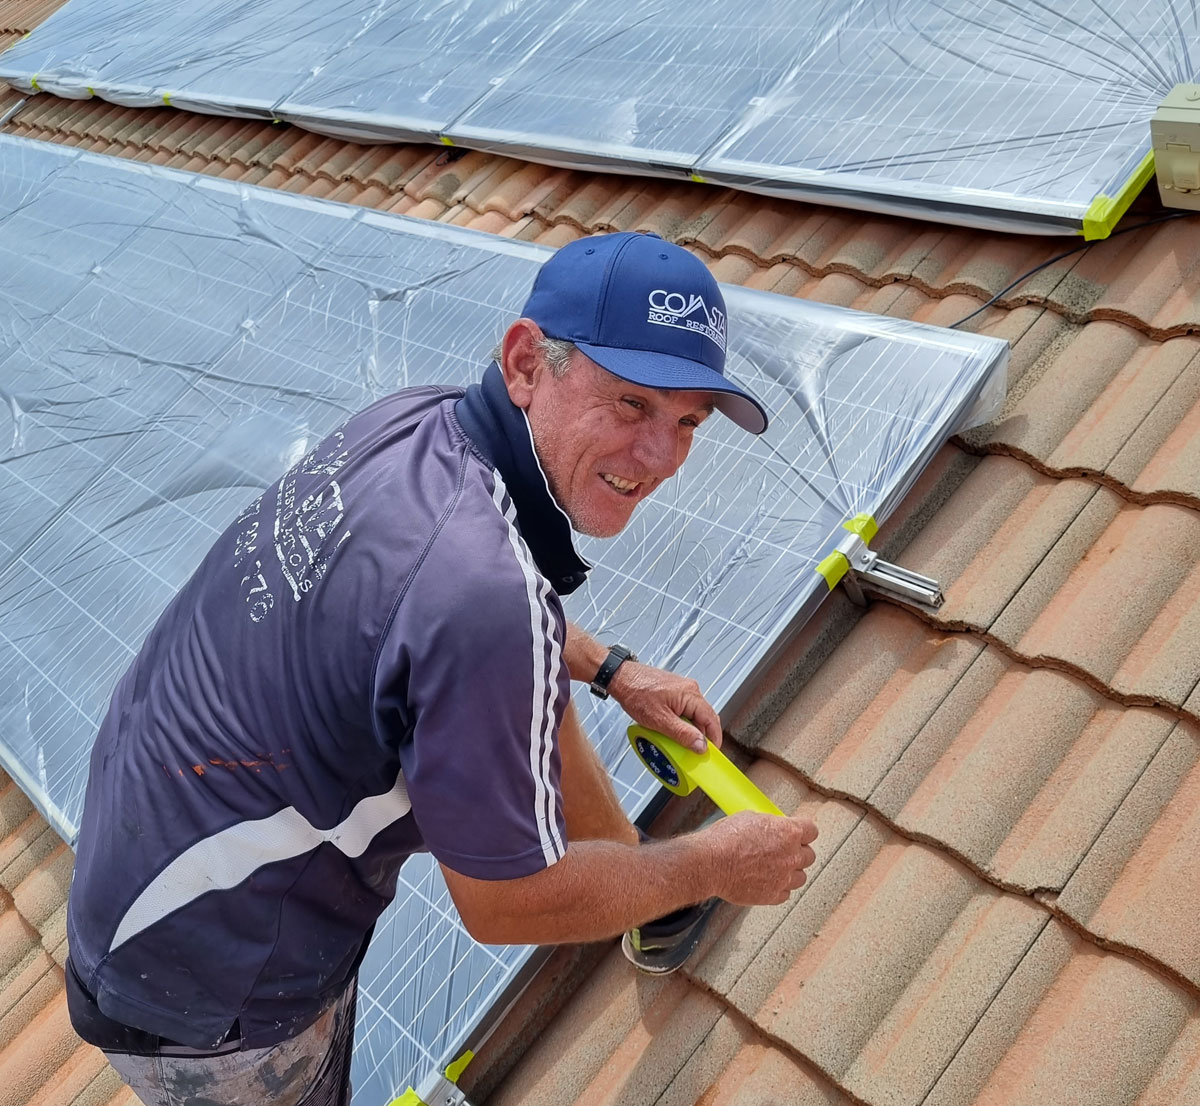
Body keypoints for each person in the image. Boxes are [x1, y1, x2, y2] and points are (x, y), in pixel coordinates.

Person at [63, 231, 819, 1106]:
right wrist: (712, 866)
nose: (660, 459)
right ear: (528, 361)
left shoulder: (419, 423)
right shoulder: (483, 601)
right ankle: (650, 886)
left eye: (686, 422)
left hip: (146, 864)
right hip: (214, 993)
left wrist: (610, 668)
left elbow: (446, 609)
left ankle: (632, 880)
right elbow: (506, 903)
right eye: (630, 404)